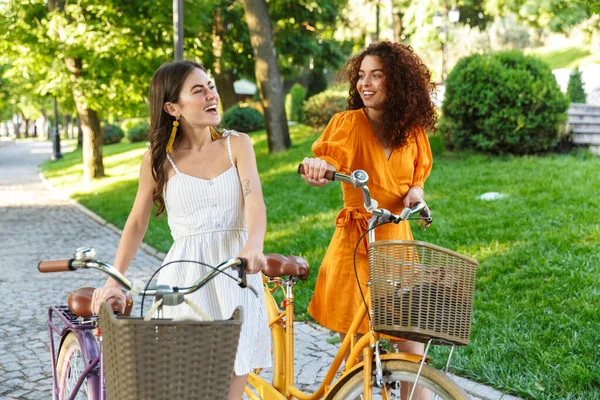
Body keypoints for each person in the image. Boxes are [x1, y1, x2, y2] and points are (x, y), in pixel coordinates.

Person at [90, 60, 271, 400]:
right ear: (173, 107)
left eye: (211, 86)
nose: (211, 95)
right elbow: (136, 222)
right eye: (198, 90)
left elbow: (254, 202)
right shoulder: (159, 160)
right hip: (186, 279)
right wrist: (115, 280)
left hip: (237, 274)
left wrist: (254, 245)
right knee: (188, 386)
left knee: (232, 387)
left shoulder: (238, 144)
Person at [300, 41, 436, 359]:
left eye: (376, 75)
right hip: (358, 244)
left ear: (399, 82)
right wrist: (320, 167)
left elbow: (415, 183)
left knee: (412, 347)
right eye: (361, 75)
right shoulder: (350, 124)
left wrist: (416, 197)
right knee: (358, 352)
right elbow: (332, 161)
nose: (365, 83)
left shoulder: (414, 132)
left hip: (397, 245)